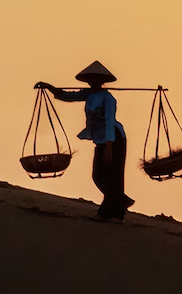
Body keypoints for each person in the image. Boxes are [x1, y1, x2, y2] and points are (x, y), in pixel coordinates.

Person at [36, 61, 133, 221]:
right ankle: (120, 201)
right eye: (90, 80)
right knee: (98, 176)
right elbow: (67, 96)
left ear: (101, 81)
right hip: (101, 140)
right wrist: (48, 86)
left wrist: (109, 147)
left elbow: (109, 122)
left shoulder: (108, 98)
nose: (92, 82)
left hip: (114, 138)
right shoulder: (88, 95)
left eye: (95, 80)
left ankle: (114, 212)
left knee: (113, 175)